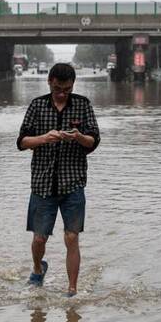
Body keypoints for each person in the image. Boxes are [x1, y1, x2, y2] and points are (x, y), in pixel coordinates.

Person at [17, 63, 100, 297]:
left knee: (72, 237)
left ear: (73, 85)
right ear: (49, 83)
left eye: (67, 89)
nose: (62, 93)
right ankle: (37, 268)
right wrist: (44, 138)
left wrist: (79, 137)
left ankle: (72, 289)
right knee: (39, 238)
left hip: (73, 181)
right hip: (43, 184)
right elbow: (22, 142)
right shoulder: (37, 105)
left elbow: (93, 141)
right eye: (58, 89)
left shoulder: (83, 105)